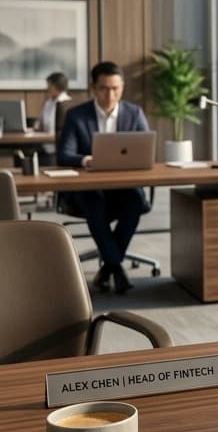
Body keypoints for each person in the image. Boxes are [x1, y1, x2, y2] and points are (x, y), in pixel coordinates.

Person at [57, 60, 150, 294]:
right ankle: (116, 267)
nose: (111, 94)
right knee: (94, 202)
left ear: (122, 87)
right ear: (93, 88)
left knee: (136, 202)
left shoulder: (134, 113)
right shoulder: (76, 116)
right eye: (104, 88)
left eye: (116, 88)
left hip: (123, 188)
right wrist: (88, 160)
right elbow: (64, 154)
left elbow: (147, 150)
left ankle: (109, 265)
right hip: (88, 190)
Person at [37, 70, 71, 163]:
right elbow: (40, 124)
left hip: (56, 150)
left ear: (57, 86)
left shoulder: (65, 105)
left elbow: (56, 130)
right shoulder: (49, 103)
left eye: (49, 85)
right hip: (44, 147)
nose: (47, 88)